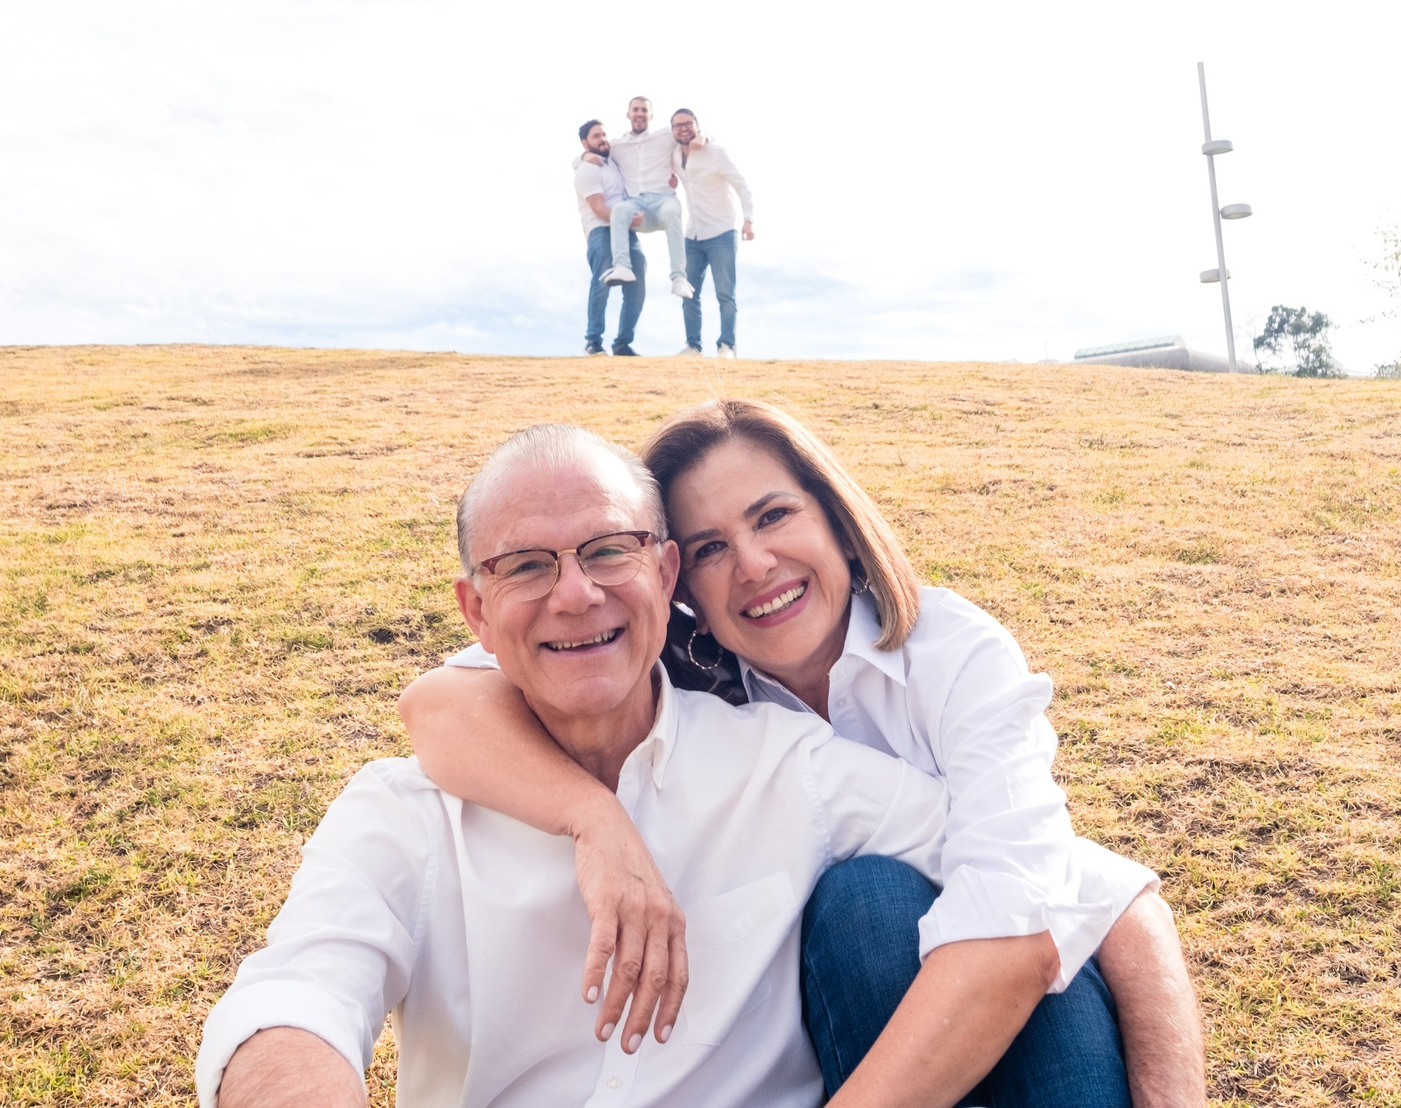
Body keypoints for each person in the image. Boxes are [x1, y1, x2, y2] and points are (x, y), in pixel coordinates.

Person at [399, 400, 1209, 1108]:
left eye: (774, 515)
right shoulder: (670, 672)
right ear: (677, 580)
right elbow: (439, 704)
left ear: (837, 521)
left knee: (893, 900)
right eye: (711, 546)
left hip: (1012, 976)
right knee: (866, 900)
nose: (754, 565)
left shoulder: (953, 653)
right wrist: (592, 817)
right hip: (857, 977)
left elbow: (1064, 900)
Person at [197, 425, 956, 1108]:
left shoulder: (788, 765)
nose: (576, 594)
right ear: (477, 612)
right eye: (527, 565)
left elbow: (1013, 866)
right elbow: (296, 999)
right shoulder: (403, 814)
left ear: (664, 574)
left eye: (607, 550)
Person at [668, 107, 752, 359]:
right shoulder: (673, 155)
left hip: (721, 231)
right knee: (688, 292)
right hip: (692, 234)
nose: (683, 128)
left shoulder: (714, 152)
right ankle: (693, 346)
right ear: (672, 130)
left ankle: (726, 346)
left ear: (697, 125)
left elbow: (742, 185)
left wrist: (748, 220)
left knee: (725, 293)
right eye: (678, 125)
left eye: (688, 123)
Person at [605, 97, 694, 301]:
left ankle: (679, 277)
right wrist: (581, 159)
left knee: (672, 211)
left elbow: (689, 133)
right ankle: (622, 266)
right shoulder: (617, 146)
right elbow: (595, 154)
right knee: (619, 209)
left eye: (644, 110)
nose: (640, 113)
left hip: (663, 200)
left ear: (650, 115)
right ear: (628, 114)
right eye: (635, 109)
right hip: (636, 206)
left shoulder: (665, 136)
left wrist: (703, 139)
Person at [575, 120, 650, 356]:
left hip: (627, 233)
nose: (602, 139)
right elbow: (597, 207)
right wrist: (581, 159)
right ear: (584, 142)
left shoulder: (613, 163)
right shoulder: (587, 169)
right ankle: (594, 342)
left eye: (604, 134)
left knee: (637, 284)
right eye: (596, 136)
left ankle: (623, 344)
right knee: (602, 283)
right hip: (601, 231)